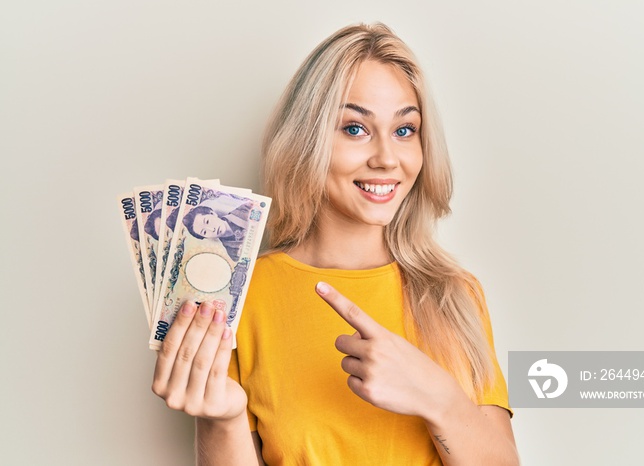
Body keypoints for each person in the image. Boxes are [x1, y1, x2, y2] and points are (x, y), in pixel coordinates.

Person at [152, 23, 519, 465]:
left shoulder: (455, 295)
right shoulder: (240, 292)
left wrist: (438, 398)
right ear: (306, 140)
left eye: (405, 130)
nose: (387, 158)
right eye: (355, 128)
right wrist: (223, 420)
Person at [181, 198, 254, 262]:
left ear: (212, 213)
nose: (212, 229)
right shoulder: (232, 253)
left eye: (207, 222)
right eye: (204, 232)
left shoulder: (246, 209)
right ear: (206, 238)